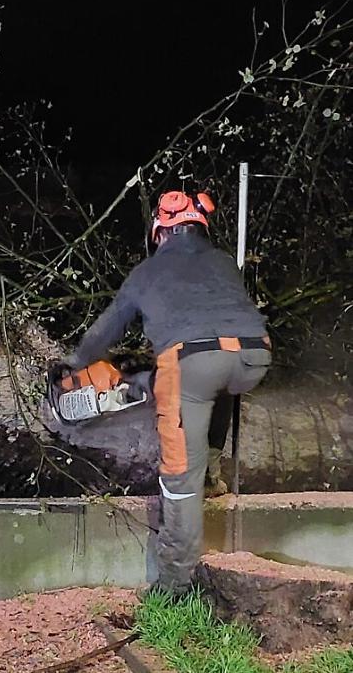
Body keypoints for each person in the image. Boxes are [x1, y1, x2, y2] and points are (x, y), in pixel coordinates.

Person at [61, 190, 271, 594]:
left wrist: (73, 367)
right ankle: (208, 460)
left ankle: (174, 585)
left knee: (179, 481)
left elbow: (102, 336)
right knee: (210, 380)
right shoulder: (224, 261)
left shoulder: (145, 274)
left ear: (160, 231)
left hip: (192, 365)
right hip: (254, 358)